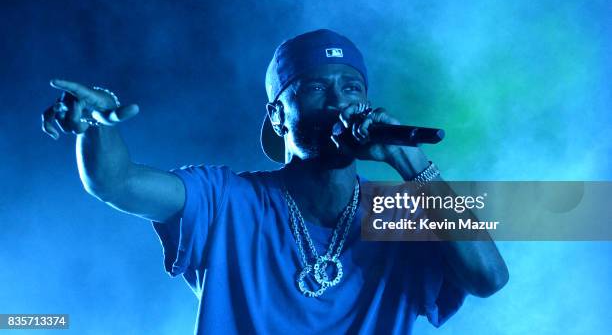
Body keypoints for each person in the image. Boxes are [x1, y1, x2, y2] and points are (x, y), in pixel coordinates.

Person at [41, 29, 508, 334]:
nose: (340, 101)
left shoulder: (398, 213)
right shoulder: (228, 200)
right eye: (315, 88)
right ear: (278, 118)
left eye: (351, 88)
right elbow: (115, 182)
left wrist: (414, 167)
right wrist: (96, 126)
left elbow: (489, 278)